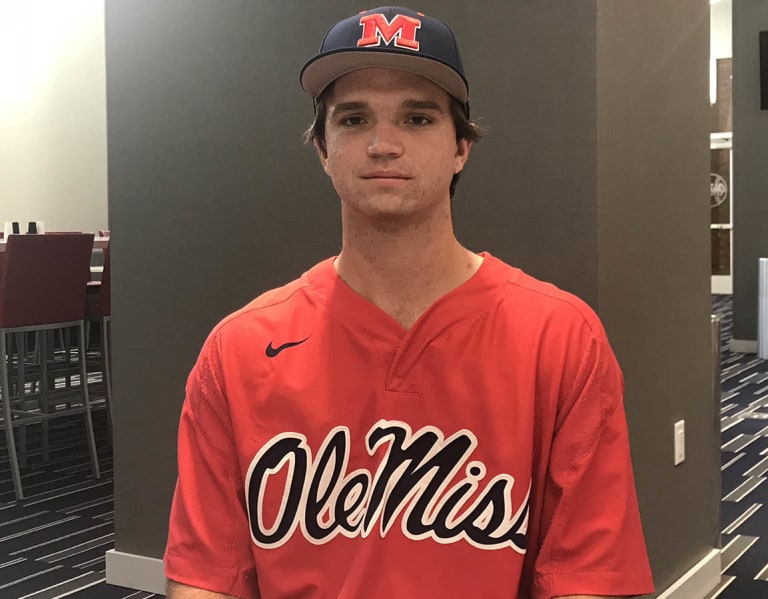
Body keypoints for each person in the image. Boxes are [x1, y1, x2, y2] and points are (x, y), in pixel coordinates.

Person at [164, 6, 655, 599]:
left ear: (460, 149)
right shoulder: (238, 349)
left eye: (418, 118)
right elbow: (206, 580)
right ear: (323, 149)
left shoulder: (560, 335)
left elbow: (587, 580)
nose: (382, 144)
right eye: (353, 119)